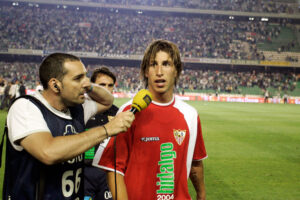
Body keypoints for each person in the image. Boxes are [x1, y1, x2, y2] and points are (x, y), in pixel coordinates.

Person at [2, 53, 135, 200]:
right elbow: (48, 152)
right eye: (78, 78)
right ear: (55, 85)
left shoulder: (77, 109)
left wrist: (89, 85)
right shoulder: (26, 107)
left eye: (85, 76)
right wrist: (106, 129)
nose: (85, 82)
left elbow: (107, 100)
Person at [94, 40, 207, 200]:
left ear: (176, 70)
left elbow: (195, 163)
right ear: (146, 71)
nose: (159, 71)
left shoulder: (190, 114)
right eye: (153, 64)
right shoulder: (130, 111)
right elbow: (113, 168)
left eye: (166, 64)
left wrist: (201, 194)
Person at [84, 67, 118, 200]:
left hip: (108, 172)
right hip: (85, 171)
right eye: (102, 85)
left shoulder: (118, 112)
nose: (107, 89)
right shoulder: (81, 109)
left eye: (110, 85)